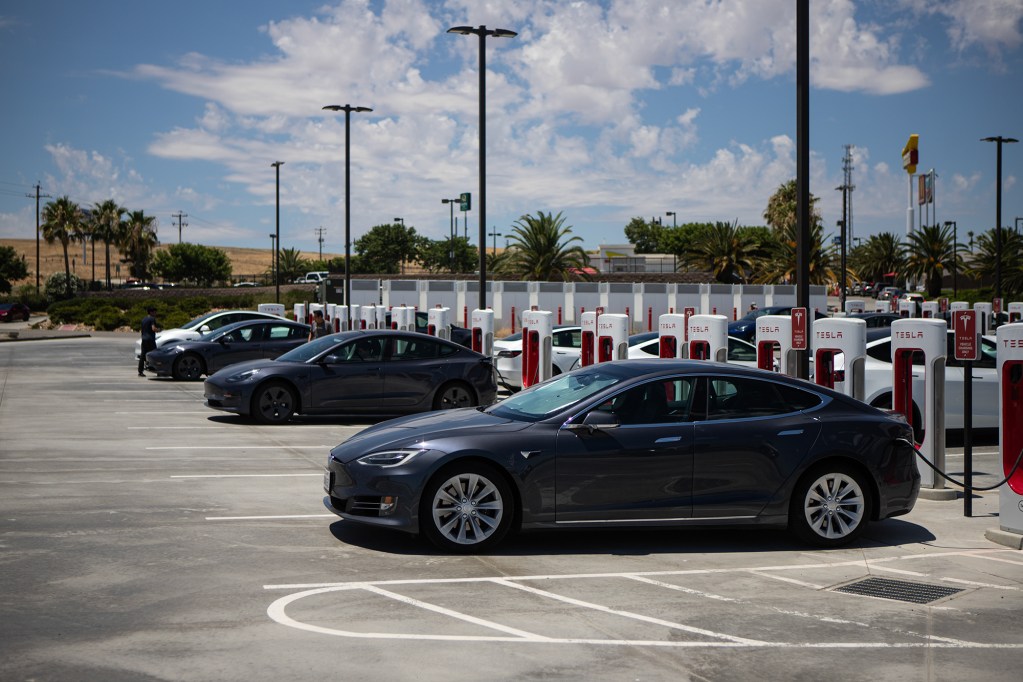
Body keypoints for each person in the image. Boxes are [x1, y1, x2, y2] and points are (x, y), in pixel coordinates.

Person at [138, 307, 161, 376]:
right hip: (150, 339)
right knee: (155, 354)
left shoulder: (143, 319)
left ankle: (140, 371)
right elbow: (153, 328)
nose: (155, 313)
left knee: (143, 355)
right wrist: (159, 330)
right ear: (151, 312)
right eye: (154, 312)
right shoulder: (152, 319)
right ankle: (158, 371)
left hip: (144, 339)